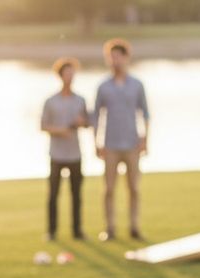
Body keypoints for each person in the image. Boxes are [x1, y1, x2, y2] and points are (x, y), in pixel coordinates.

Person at [92, 39, 150, 242]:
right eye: (111, 57)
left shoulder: (137, 85)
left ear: (126, 58)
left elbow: (145, 114)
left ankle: (134, 227)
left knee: (134, 189)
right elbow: (96, 116)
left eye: (117, 56)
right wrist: (96, 143)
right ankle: (110, 228)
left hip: (133, 144)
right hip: (110, 145)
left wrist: (145, 140)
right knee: (109, 189)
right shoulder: (103, 86)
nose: (114, 60)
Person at [40, 57, 90, 242]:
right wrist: (60, 130)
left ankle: (77, 231)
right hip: (57, 154)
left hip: (75, 154)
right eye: (67, 73)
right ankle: (51, 231)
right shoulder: (51, 101)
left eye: (72, 73)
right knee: (53, 194)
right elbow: (43, 126)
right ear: (60, 76)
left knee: (77, 195)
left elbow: (87, 122)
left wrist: (82, 122)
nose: (70, 77)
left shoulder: (80, 100)